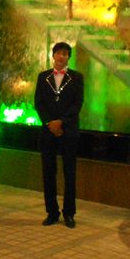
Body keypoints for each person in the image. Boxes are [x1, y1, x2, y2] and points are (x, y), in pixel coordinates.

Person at [34, 42, 84, 229]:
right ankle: (52, 212)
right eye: (58, 53)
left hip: (68, 131)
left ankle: (69, 213)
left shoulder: (76, 77)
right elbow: (38, 103)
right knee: (48, 173)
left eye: (65, 54)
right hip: (48, 131)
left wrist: (61, 122)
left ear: (68, 57)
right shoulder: (43, 77)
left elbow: (77, 104)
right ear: (53, 55)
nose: (61, 56)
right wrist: (50, 123)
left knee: (69, 173)